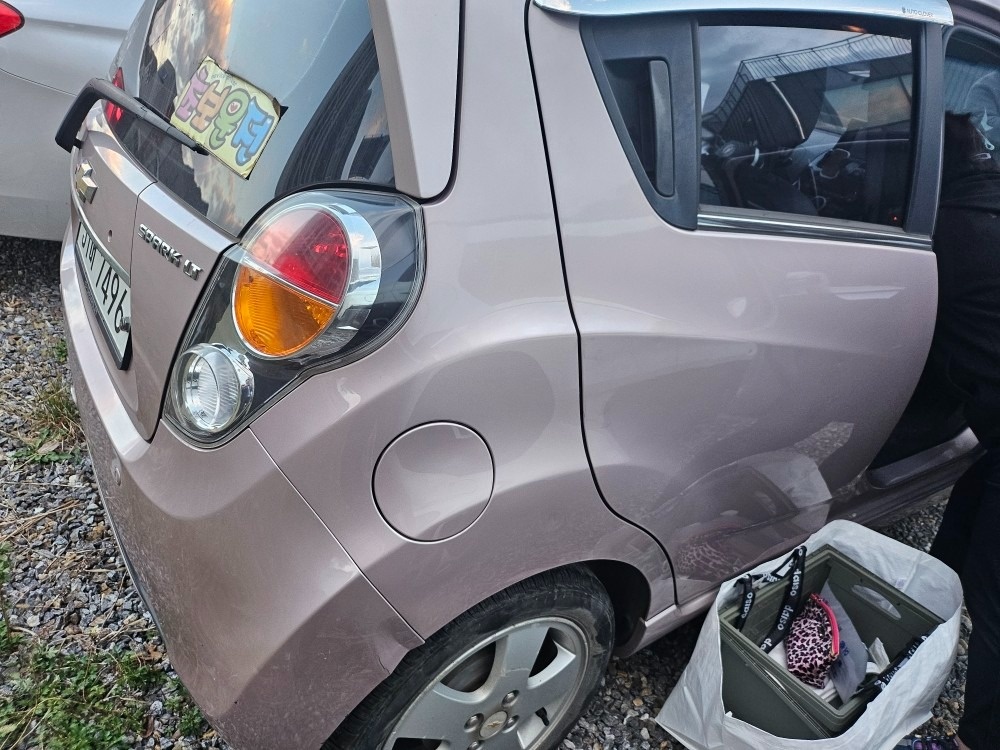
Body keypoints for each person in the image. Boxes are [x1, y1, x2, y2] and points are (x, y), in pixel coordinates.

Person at [897, 112, 1000, 750]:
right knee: (961, 536)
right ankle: (921, 629)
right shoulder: (985, 207)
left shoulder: (948, 234)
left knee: (996, 597)